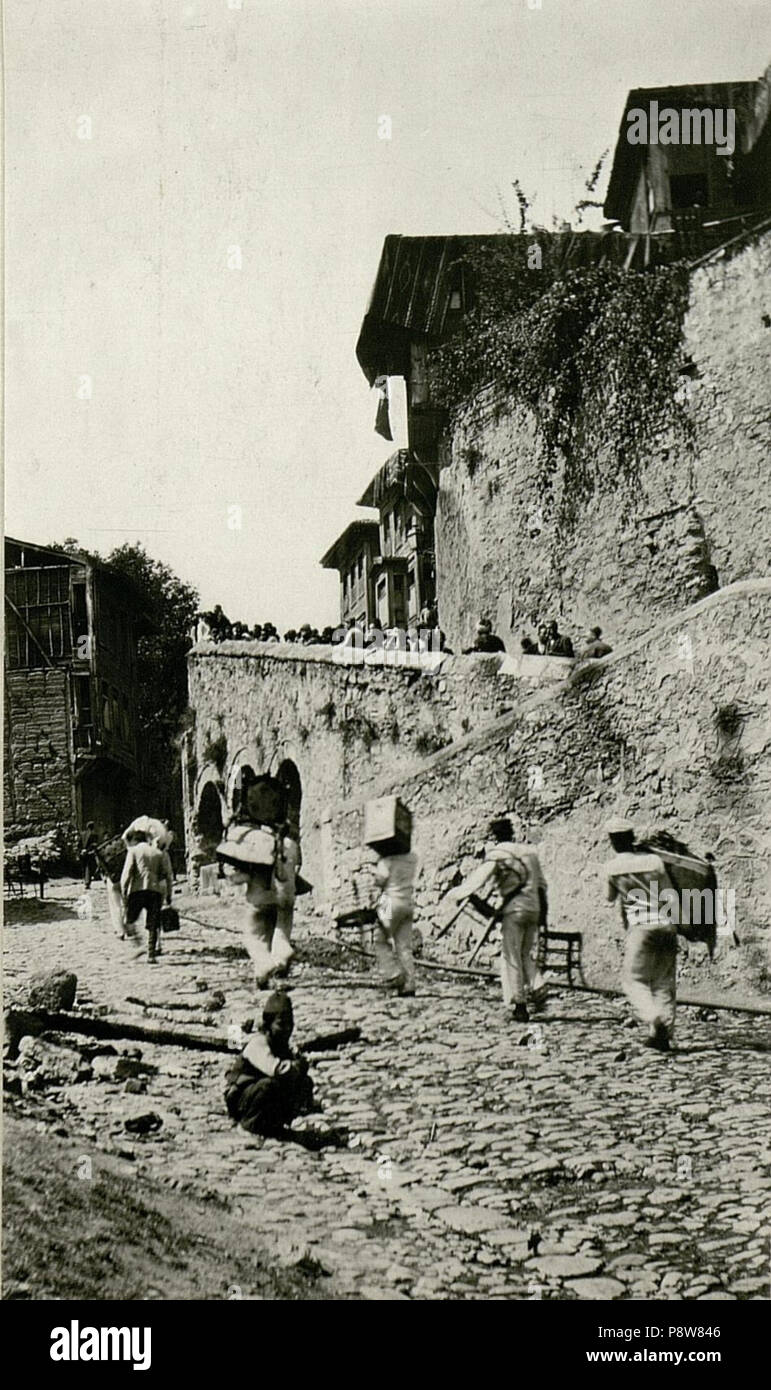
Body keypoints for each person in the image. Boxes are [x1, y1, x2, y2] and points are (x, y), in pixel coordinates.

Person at [450, 817, 548, 1021]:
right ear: (512, 832)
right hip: (534, 909)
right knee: (524, 954)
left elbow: (478, 880)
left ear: (496, 835)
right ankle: (538, 985)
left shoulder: (498, 854)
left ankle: (519, 1006)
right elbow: (541, 886)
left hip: (514, 910)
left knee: (511, 957)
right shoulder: (530, 853)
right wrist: (542, 916)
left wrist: (457, 893)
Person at [603, 818, 678, 1052]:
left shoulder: (611, 867)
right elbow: (670, 894)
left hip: (641, 927)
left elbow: (609, 897)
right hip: (666, 925)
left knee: (633, 980)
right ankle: (661, 1034)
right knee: (663, 981)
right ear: (632, 837)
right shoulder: (654, 861)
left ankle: (653, 1017)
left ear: (613, 842)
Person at [224, 993, 332, 1145]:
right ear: (268, 1024)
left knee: (304, 1082)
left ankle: (283, 1120)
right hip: (241, 1100)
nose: (287, 1029)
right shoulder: (258, 1044)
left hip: (261, 1096)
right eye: (281, 1024)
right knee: (269, 1086)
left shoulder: (281, 1045)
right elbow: (277, 1070)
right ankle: (250, 1125)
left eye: (290, 1023)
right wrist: (297, 1066)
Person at [120, 830, 173, 964]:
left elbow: (127, 873)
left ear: (135, 841)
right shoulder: (158, 853)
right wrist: (168, 895)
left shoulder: (133, 851)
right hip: (155, 891)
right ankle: (151, 954)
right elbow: (167, 875)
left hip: (137, 891)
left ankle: (138, 945)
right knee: (153, 924)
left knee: (128, 920)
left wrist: (124, 891)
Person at [373, 844, 418, 996]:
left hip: (391, 902)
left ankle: (394, 973)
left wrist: (376, 866)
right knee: (404, 946)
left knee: (380, 940)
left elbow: (379, 881)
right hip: (408, 903)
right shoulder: (412, 858)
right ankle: (409, 984)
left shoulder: (387, 861)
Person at [80, 822, 99, 888]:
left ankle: (85, 880)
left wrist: (81, 850)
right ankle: (87, 882)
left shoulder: (82, 834)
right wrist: (87, 850)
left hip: (82, 853)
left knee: (84, 867)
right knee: (89, 867)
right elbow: (93, 845)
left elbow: (79, 843)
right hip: (90, 853)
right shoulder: (94, 835)